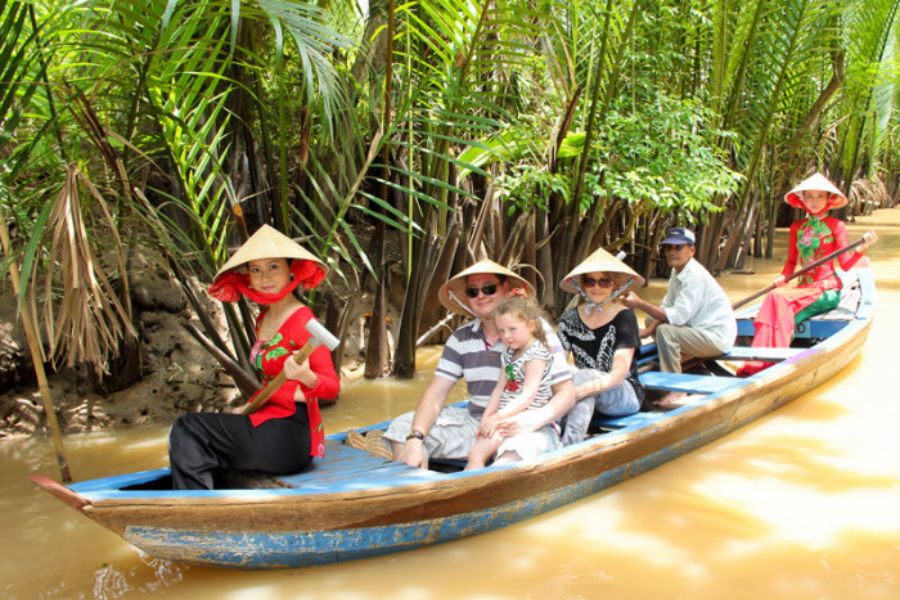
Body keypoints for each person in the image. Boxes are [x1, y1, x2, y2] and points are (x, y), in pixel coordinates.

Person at [168, 225, 339, 490]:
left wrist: (306, 376)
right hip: (265, 419)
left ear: (290, 270)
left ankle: (195, 507)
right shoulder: (264, 319)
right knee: (192, 432)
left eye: (273, 267)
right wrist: (247, 408)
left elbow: (332, 387)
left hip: (289, 435)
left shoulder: (303, 320)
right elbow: (269, 382)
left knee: (188, 427)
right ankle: (200, 500)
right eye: (256, 270)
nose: (264, 277)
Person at [382, 259, 575, 468]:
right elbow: (436, 393)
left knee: (514, 453)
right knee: (402, 428)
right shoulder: (461, 338)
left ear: (508, 291)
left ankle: (482, 488)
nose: (481, 295)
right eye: (473, 292)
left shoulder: (534, 332)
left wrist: (534, 420)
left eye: (489, 288)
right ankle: (420, 486)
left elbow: (566, 393)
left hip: (530, 426)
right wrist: (416, 439)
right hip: (477, 423)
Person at [736, 173, 877, 377]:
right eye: (809, 196)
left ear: (829, 199)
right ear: (802, 200)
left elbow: (845, 266)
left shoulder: (836, 226)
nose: (815, 202)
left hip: (826, 290)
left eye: (820, 197)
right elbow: (792, 262)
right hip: (804, 289)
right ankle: (762, 360)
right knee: (773, 298)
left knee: (779, 299)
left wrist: (861, 250)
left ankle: (771, 362)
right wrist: (783, 277)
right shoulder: (797, 228)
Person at [556, 248, 646, 445]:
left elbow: (619, 373)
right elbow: (557, 365)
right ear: (582, 285)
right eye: (590, 281)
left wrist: (581, 390)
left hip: (623, 392)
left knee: (584, 377)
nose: (597, 287)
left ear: (613, 285)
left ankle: (568, 446)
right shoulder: (569, 318)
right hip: (583, 388)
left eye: (604, 281)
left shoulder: (625, 317)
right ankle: (547, 435)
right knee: (564, 376)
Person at [622, 227, 736, 373]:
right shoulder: (677, 271)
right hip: (698, 329)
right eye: (669, 247)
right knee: (651, 320)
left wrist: (639, 304)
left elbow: (678, 317)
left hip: (716, 337)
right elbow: (668, 305)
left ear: (691, 251)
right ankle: (680, 358)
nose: (672, 252)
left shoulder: (694, 276)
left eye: (678, 248)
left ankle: (675, 388)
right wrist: (648, 330)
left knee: (665, 331)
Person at [466, 297, 559, 469]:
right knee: (475, 453)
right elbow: (499, 388)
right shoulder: (508, 354)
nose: (506, 336)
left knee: (504, 459)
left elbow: (528, 395)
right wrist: (486, 418)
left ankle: (486, 485)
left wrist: (498, 418)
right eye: (501, 331)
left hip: (527, 415)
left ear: (531, 326)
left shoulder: (536, 354)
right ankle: (466, 487)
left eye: (512, 329)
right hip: (505, 415)